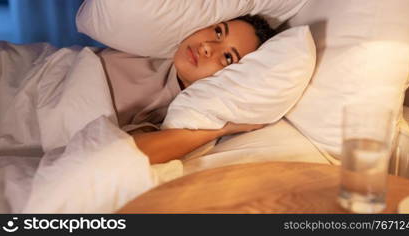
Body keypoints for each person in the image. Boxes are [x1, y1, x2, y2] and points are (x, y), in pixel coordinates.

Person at [98, 14, 277, 164]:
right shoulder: (140, 45)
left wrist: (224, 129)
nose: (207, 46)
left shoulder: (177, 114)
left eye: (228, 57)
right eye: (218, 31)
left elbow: (120, 157)